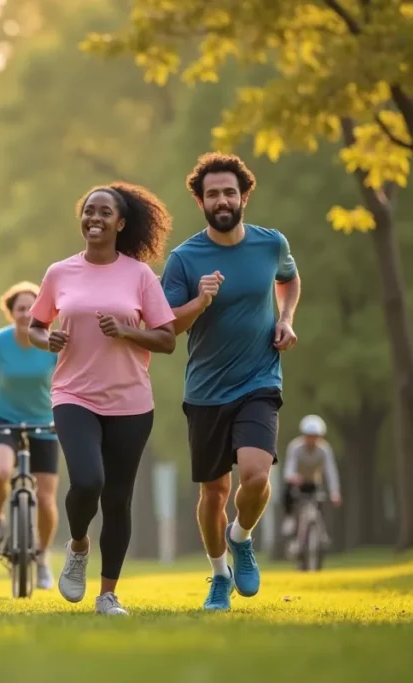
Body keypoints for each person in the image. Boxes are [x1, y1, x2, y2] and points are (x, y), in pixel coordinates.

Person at [160, 152, 301, 612]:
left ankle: (241, 538)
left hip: (260, 378)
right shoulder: (184, 259)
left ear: (244, 197)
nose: (222, 200)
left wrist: (285, 318)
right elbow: (168, 327)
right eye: (213, 193)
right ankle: (218, 575)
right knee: (214, 492)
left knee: (258, 475)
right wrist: (199, 301)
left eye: (230, 192)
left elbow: (290, 280)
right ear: (201, 201)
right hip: (205, 390)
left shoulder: (270, 244)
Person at [28, 182, 176, 616]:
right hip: (73, 393)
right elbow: (36, 325)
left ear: (121, 223)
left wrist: (127, 330)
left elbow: (166, 339)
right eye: (88, 211)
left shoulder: (140, 275)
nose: (94, 218)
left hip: (131, 402)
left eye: (104, 212)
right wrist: (46, 339)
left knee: (117, 499)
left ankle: (108, 594)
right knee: (88, 480)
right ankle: (77, 546)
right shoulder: (59, 272)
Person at [0, 281, 59, 590]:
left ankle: (42, 557)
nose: (26, 314)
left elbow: (70, 382)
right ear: (10, 313)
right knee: (0, 472)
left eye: (32, 308)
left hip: (45, 422)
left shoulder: (51, 344)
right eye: (20, 308)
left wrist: (66, 416)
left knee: (46, 500)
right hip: (2, 420)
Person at [281, 414, 341, 539]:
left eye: (315, 436)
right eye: (309, 436)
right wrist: (292, 476)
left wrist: (335, 492)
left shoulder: (324, 450)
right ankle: (290, 518)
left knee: (320, 504)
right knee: (287, 493)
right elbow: (289, 466)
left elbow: (331, 471)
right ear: (304, 435)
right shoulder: (295, 447)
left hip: (314, 483)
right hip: (298, 482)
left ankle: (320, 532)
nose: (312, 440)